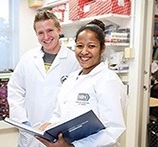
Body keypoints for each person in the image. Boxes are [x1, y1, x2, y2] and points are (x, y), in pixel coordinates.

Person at [36, 19, 128, 147]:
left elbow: (113, 129)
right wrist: (50, 126)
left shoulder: (108, 80)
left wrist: (74, 146)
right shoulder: (72, 78)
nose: (84, 52)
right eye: (79, 46)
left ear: (102, 48)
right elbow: (59, 113)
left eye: (91, 46)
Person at [7, 10, 80, 147]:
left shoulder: (73, 61)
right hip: (30, 131)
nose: (46, 36)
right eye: (40, 33)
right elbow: (15, 90)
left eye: (50, 30)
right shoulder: (28, 59)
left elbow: (76, 100)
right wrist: (22, 121)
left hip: (60, 134)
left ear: (59, 29)